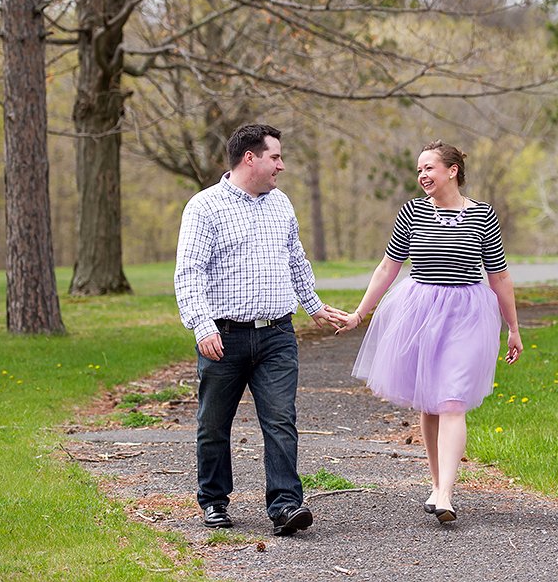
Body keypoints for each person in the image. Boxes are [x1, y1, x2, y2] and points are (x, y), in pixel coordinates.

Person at [335, 140, 522, 524]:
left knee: (452, 400)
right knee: (428, 401)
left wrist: (513, 328)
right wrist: (358, 314)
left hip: (467, 314)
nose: (422, 176)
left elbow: (499, 276)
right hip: (419, 310)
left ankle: (448, 495)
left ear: (452, 170)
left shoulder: (482, 215)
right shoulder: (412, 212)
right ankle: (437, 485)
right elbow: (387, 268)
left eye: (429, 168)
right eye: (419, 170)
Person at [174, 123, 344, 536]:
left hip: (277, 336)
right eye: (275, 157)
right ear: (250, 158)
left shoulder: (281, 204)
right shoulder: (204, 207)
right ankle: (214, 500)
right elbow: (188, 273)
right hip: (224, 337)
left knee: (281, 420)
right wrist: (202, 325)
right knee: (214, 423)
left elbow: (295, 260)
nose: (281, 166)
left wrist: (314, 305)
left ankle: (286, 506)